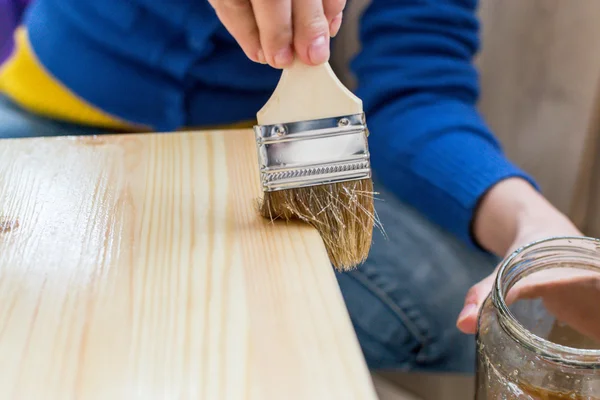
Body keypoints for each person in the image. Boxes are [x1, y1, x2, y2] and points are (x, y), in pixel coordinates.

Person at [0, 0, 592, 373]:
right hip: (55, 119)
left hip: (261, 149)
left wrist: (534, 227)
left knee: (511, 325)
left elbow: (420, 95)